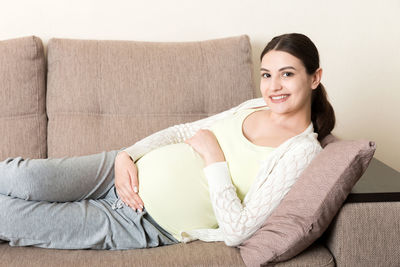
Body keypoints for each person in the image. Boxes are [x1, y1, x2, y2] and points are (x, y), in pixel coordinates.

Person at [0, 33, 335, 250]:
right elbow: (181, 131)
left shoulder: (302, 152)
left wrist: (214, 158)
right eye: (266, 74)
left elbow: (238, 230)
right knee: (21, 177)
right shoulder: (254, 105)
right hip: (119, 171)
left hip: (141, 222)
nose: (273, 86)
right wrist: (127, 156)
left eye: (287, 74)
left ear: (314, 77)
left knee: (9, 218)